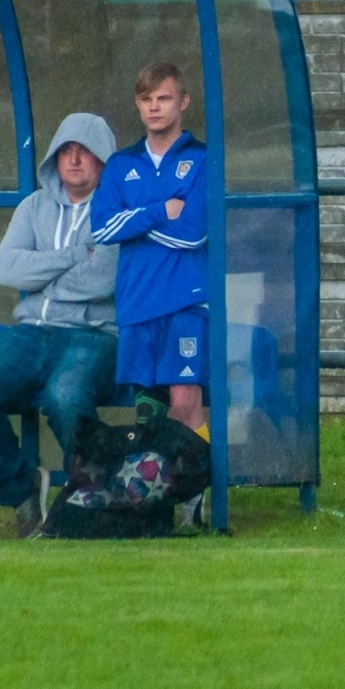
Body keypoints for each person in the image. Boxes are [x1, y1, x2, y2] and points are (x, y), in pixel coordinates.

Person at [0, 114, 119, 537]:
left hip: (94, 334)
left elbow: (105, 280)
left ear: (103, 159)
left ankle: (93, 498)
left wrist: (42, 278)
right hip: (31, 331)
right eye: (66, 151)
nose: (74, 160)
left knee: (65, 396)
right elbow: (8, 269)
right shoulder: (33, 207)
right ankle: (21, 488)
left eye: (84, 152)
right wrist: (74, 257)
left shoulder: (119, 208)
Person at [91, 62, 208, 437]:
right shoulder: (120, 164)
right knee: (147, 411)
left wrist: (133, 221)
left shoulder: (204, 160)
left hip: (185, 302)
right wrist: (159, 211)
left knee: (185, 403)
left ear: (183, 102)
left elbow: (193, 234)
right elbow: (102, 228)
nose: (154, 107)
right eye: (146, 99)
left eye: (164, 98)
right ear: (137, 105)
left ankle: (193, 475)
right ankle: (156, 475)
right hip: (137, 302)